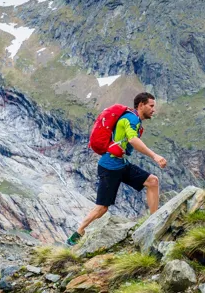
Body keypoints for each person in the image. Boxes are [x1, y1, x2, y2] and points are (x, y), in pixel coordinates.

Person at [65, 92, 167, 246]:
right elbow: (133, 139)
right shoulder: (131, 119)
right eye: (151, 106)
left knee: (152, 181)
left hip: (121, 163)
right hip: (110, 167)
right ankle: (76, 235)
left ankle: (154, 222)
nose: (154, 110)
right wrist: (155, 156)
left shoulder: (133, 118)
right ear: (141, 105)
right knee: (102, 208)